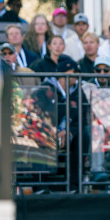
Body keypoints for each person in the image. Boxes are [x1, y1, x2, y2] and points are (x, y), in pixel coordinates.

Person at [42, 59, 90, 192]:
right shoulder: (45, 89)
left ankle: (74, 184)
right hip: (49, 131)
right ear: (62, 75)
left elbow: (82, 117)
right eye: (72, 73)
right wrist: (54, 131)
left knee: (82, 136)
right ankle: (41, 186)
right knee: (38, 136)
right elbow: (38, 113)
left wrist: (69, 132)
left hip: (68, 132)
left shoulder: (79, 92)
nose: (75, 76)